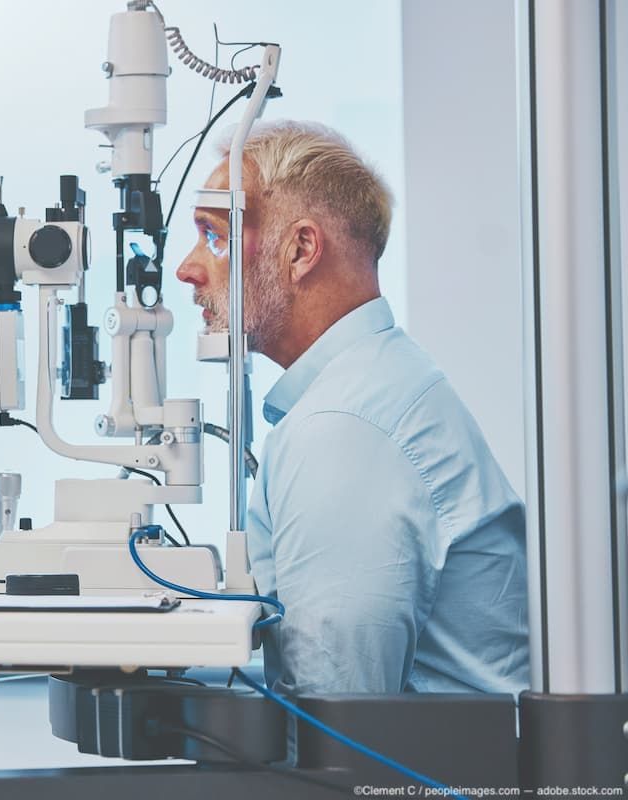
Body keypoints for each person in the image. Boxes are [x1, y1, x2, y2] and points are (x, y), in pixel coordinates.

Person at [175, 120, 529, 699]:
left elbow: (339, 729)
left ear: (301, 249)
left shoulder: (344, 429)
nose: (187, 269)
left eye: (215, 237)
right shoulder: (371, 385)